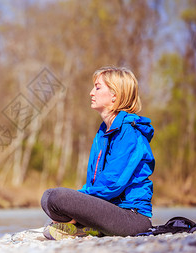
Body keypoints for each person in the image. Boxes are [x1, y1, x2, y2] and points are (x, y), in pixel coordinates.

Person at [41, 66, 155, 239]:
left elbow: (112, 183)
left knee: (58, 198)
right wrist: (80, 205)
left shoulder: (130, 133)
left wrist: (77, 202)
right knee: (48, 198)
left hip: (132, 218)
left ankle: (83, 225)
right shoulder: (103, 133)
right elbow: (95, 182)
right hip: (110, 209)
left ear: (114, 95)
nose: (91, 92)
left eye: (97, 87)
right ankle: (87, 227)